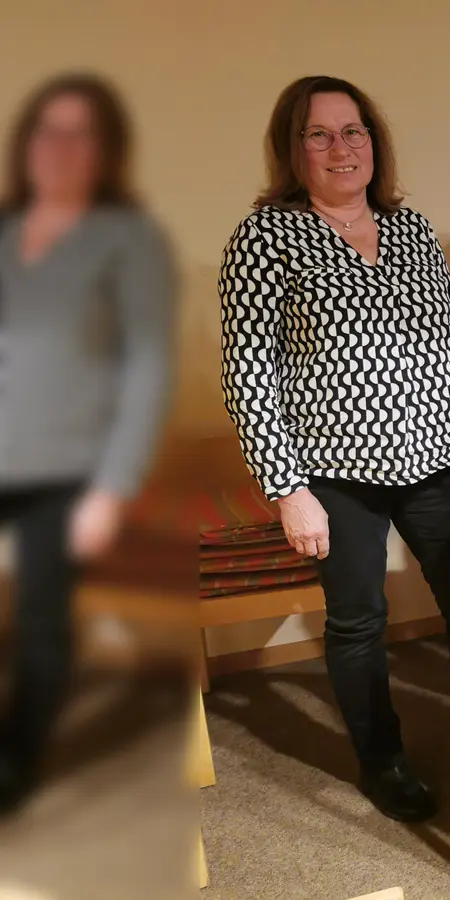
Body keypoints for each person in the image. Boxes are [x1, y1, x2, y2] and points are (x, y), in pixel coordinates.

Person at [219, 76, 450, 823]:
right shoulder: (266, 237)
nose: (341, 147)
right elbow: (248, 369)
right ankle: (383, 757)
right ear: (292, 149)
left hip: (439, 459)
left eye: (354, 131)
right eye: (319, 133)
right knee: (358, 620)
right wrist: (286, 488)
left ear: (375, 142)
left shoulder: (412, 231)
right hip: (331, 473)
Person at [0, 73, 173, 815]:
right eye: (49, 131)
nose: (61, 148)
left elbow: (145, 368)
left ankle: (17, 762)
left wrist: (110, 486)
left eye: (81, 134)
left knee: (43, 620)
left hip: (67, 469)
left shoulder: (125, 240)